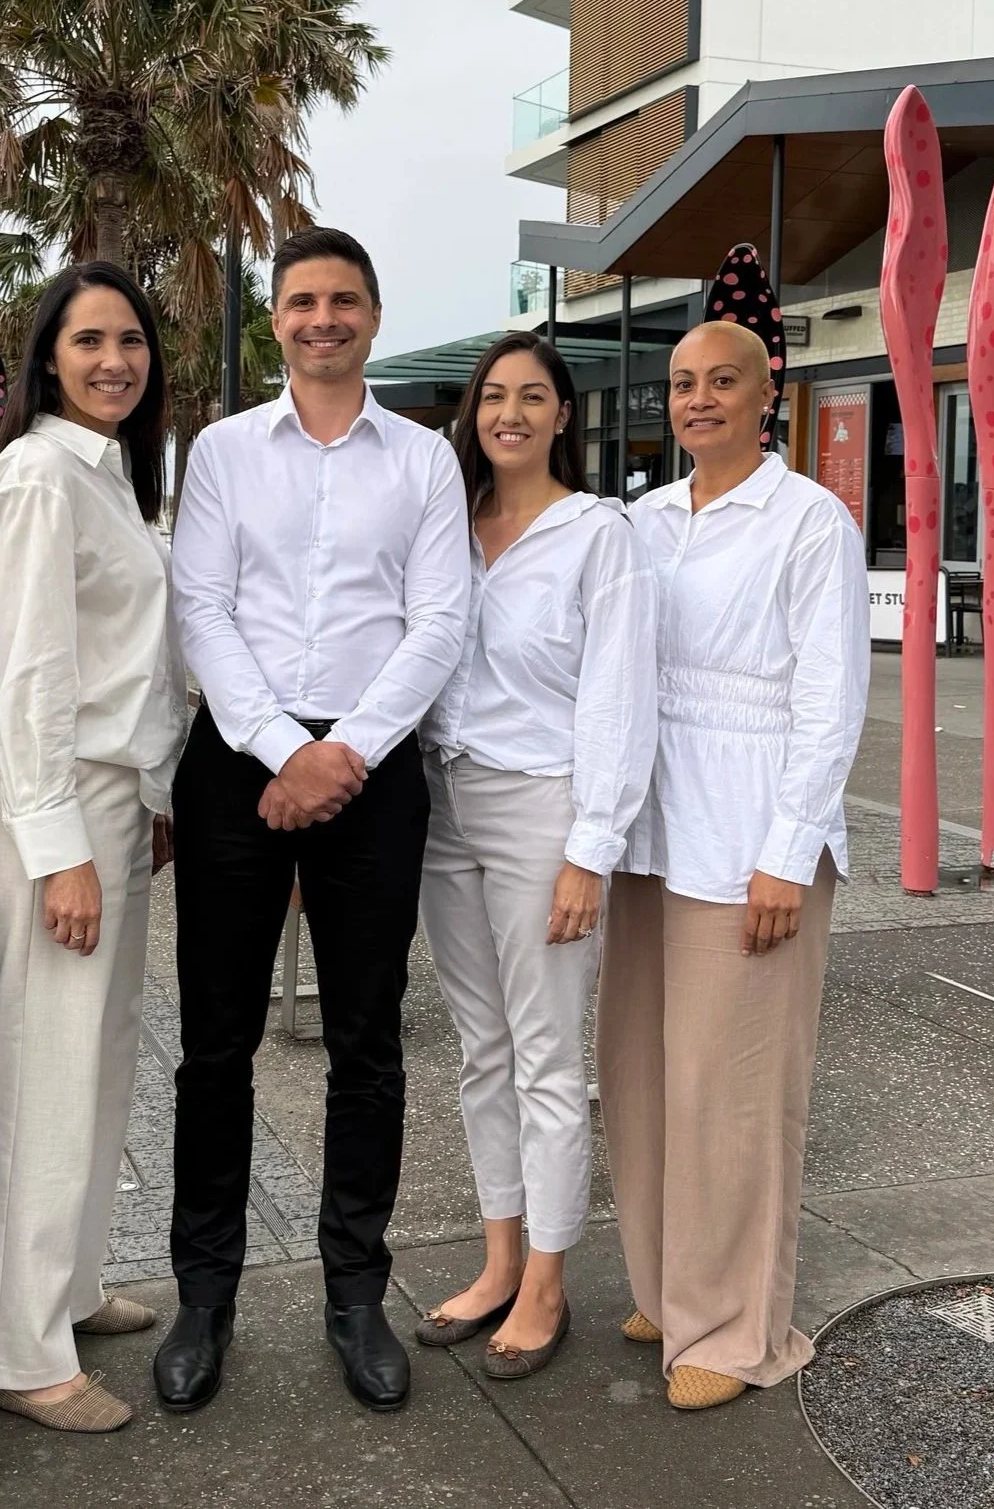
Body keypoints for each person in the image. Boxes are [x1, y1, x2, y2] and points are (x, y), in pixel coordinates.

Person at [158, 226, 469, 1416]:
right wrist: (287, 753)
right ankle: (205, 1295)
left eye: (343, 300)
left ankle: (355, 1294)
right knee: (215, 1046)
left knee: (367, 1044)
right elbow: (203, 610)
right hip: (239, 761)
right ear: (275, 321)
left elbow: (438, 623)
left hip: (373, 765)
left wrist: (344, 756)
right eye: (301, 302)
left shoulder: (423, 461)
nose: (321, 319)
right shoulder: (227, 455)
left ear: (374, 319)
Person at [599, 320, 868, 1413]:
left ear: (768, 394)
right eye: (681, 383)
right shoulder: (642, 521)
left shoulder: (808, 520)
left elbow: (829, 696)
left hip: (749, 838)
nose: (698, 398)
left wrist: (785, 852)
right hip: (648, 838)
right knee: (642, 1074)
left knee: (735, 1091)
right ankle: (671, 1284)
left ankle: (737, 1322)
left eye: (722, 381)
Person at [0, 264, 188, 1433]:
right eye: (89, 341)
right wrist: (59, 847)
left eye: (131, 340)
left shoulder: (108, 479)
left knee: (94, 1058)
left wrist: (152, 795)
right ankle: (8, 1345)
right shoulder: (41, 475)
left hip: (108, 797)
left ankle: (66, 1285)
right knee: (41, 1068)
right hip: (52, 801)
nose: (114, 361)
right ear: (48, 357)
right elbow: (32, 674)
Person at [414, 334, 653, 1379]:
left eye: (532, 397)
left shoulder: (599, 536)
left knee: (548, 1055)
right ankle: (498, 1256)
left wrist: (587, 851)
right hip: (440, 804)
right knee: (482, 1049)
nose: (509, 412)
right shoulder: (447, 530)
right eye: (492, 396)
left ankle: (551, 1279)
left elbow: (616, 697)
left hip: (540, 808)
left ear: (564, 414)